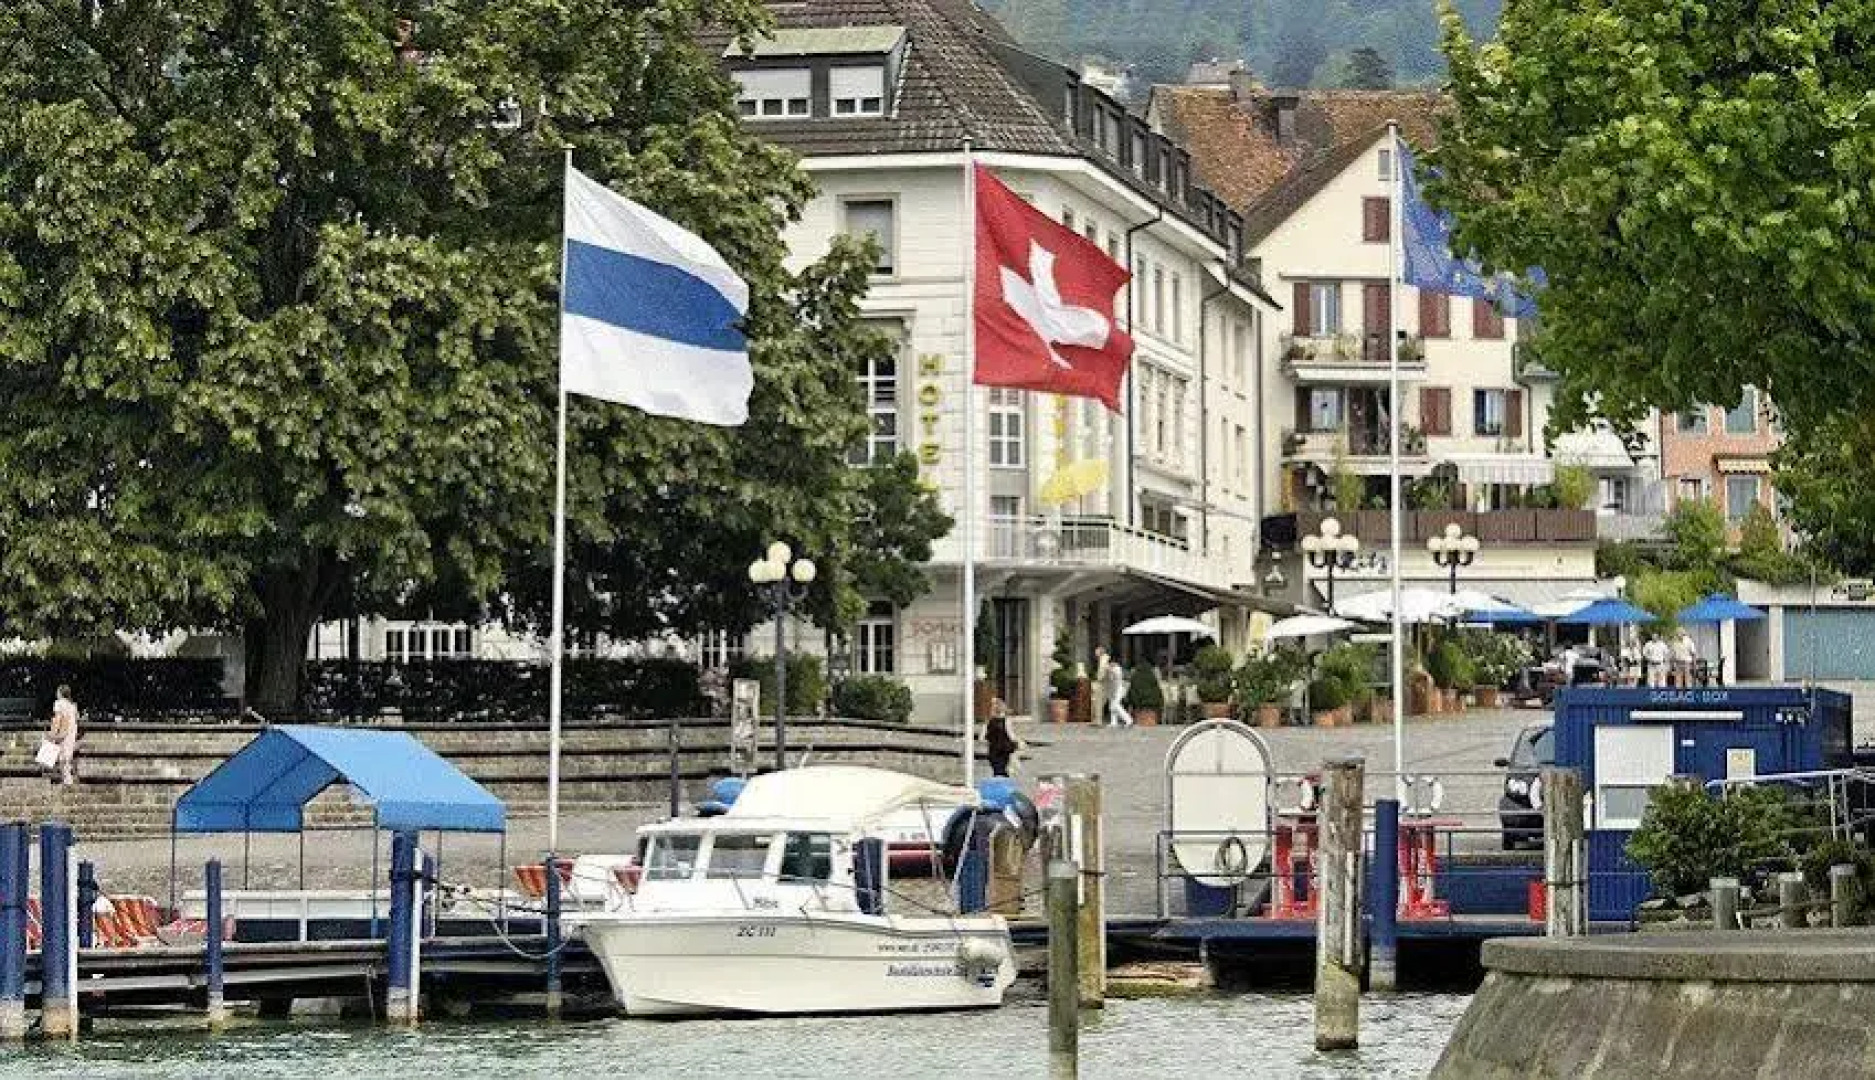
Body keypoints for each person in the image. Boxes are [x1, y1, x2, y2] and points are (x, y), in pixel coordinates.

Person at [47, 685, 78, 787]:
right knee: (67, 754)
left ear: (60, 693)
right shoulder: (72, 705)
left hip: (62, 731)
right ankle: (67, 778)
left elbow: (58, 718)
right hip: (71, 731)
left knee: (61, 755)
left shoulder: (58, 703)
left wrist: (53, 733)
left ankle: (65, 778)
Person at [985, 698, 1019, 777]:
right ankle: (1003, 785)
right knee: (1003, 770)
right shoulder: (1006, 720)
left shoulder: (990, 721)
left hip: (993, 750)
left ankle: (999, 784)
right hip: (1003, 749)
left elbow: (983, 737)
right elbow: (1011, 735)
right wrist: (1018, 742)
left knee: (997, 771)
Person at [1102, 653, 1130, 727]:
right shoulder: (1111, 668)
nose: (1110, 663)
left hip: (1118, 689)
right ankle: (1114, 722)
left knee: (1116, 705)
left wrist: (1109, 670)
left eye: (1111, 662)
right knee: (1111, 706)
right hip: (1112, 689)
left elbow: (1116, 679)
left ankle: (1128, 720)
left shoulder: (1117, 669)